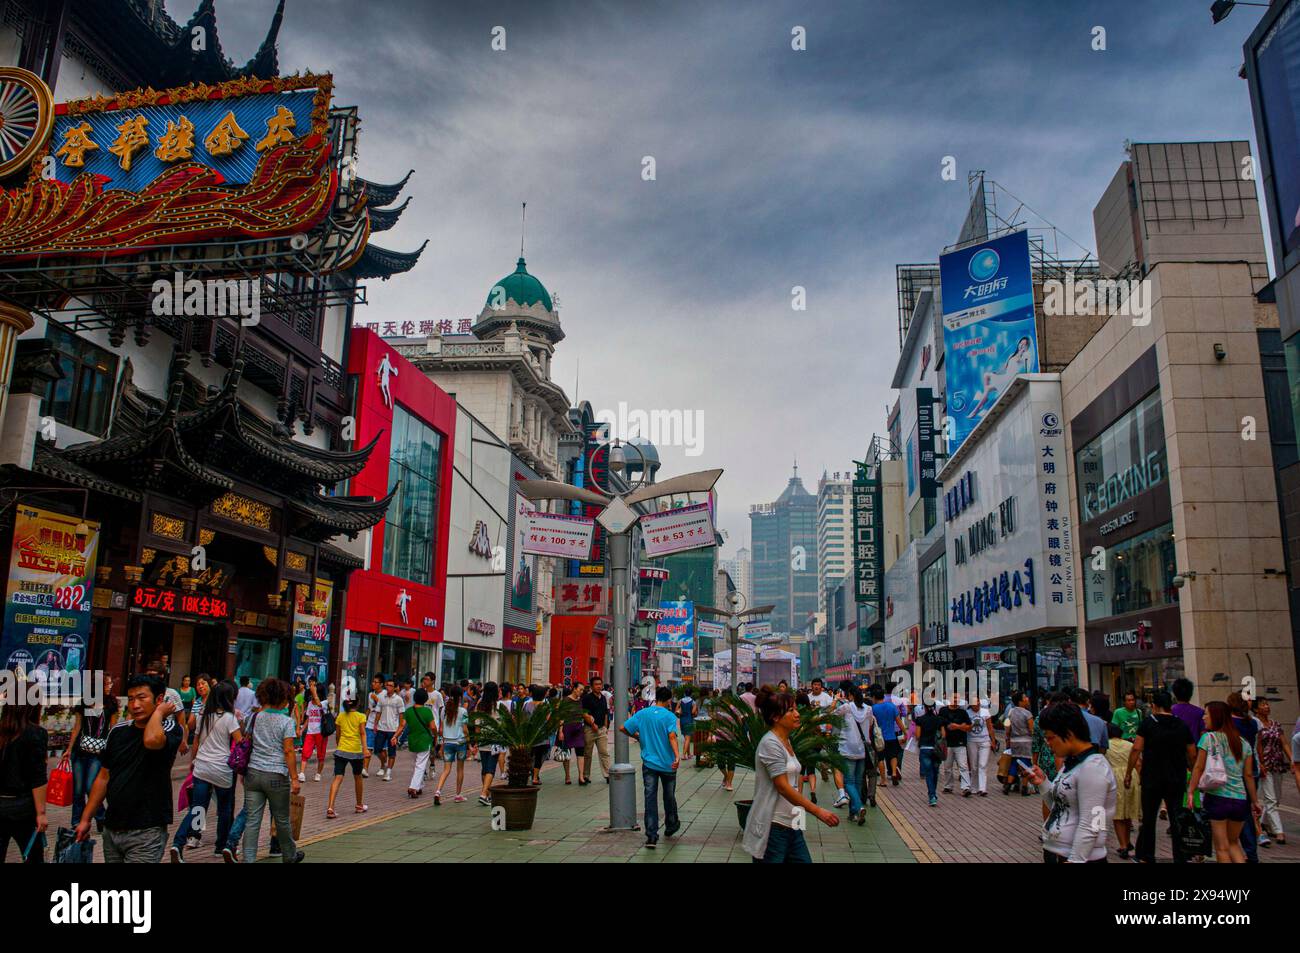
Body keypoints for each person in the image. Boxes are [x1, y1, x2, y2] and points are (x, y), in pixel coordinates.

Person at [75, 674, 185, 862]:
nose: (135, 705)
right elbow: (104, 777)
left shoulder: (169, 728)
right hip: (112, 828)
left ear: (159, 700)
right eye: (131, 699)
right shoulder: (119, 731)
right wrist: (86, 818)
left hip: (146, 831)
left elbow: (151, 741)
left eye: (142, 698)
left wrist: (158, 714)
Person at [742, 685, 839, 862]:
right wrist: (818, 812)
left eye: (796, 709)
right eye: (791, 710)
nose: (797, 714)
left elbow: (794, 784)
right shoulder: (770, 744)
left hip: (792, 824)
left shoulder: (785, 741)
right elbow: (783, 788)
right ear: (776, 717)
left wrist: (799, 821)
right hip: (774, 826)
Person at [1024, 701, 1116, 863]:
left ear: (1069, 733)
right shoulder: (1072, 764)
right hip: (1063, 852)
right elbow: (1061, 806)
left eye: (1051, 737)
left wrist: (1076, 859)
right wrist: (1043, 783)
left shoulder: (1093, 768)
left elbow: (1093, 823)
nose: (1048, 743)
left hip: (1083, 858)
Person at [170, 679, 241, 862]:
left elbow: (197, 741)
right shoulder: (230, 718)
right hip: (221, 769)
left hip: (201, 766)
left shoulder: (203, 715)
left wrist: (193, 762)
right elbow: (240, 743)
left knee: (197, 808)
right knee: (225, 809)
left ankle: (179, 843)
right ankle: (221, 846)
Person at [238, 678, 304, 863]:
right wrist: (295, 778)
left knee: (252, 820)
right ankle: (289, 855)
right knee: (282, 819)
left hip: (253, 773)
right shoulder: (286, 722)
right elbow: (288, 751)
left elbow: (247, 743)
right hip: (276, 775)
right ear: (283, 698)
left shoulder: (254, 717)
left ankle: (248, 859)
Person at [1127, 689, 1194, 864]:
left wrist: (1129, 772)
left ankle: (1146, 856)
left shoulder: (1148, 723)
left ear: (1154, 706)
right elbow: (1192, 752)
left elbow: (1136, 749)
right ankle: (1180, 857)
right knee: (1176, 818)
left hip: (1152, 778)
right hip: (1176, 778)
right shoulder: (1182, 725)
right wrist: (1193, 772)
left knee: (1149, 818)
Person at [1187, 700, 1258, 865]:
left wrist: (1191, 791)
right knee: (1234, 843)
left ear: (1216, 716)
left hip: (1218, 797)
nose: (1204, 717)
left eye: (1206, 714)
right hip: (1240, 799)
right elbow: (1248, 775)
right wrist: (1255, 801)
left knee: (1221, 847)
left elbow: (1198, 768)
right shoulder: (1243, 743)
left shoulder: (1208, 738)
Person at [621, 686, 681, 848]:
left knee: (650, 798)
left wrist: (637, 736)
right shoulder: (669, 716)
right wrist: (677, 756)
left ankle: (652, 836)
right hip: (668, 764)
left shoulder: (643, 713)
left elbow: (623, 728)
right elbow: (672, 736)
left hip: (649, 764)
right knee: (669, 797)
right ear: (669, 700)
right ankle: (671, 824)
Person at [66, 671, 118, 834]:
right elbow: (77, 727)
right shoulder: (84, 702)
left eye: (110, 684)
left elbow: (112, 729)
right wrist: (68, 749)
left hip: (99, 753)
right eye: (107, 684)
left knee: (90, 787)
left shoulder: (111, 704)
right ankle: (76, 822)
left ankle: (101, 816)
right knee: (78, 790)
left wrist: (112, 751)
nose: (110, 686)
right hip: (80, 752)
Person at [0, 700, 47, 864]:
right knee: (34, 857)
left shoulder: (3, 731)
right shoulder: (35, 733)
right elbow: (38, 778)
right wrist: (41, 813)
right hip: (24, 808)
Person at [1226, 691, 1262, 858]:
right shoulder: (1253, 723)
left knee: (1240, 813)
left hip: (1236, 771)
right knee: (1247, 810)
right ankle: (1250, 850)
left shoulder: (1229, 724)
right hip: (1252, 768)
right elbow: (1257, 747)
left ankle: (1245, 850)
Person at [835, 681, 875, 824]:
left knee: (848, 782)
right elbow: (870, 724)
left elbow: (833, 716)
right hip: (862, 749)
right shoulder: (869, 709)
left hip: (847, 748)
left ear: (850, 695)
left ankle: (858, 807)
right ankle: (853, 813)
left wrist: (836, 702)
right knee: (858, 781)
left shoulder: (846, 707)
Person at [1253, 698, 1290, 845]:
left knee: (1277, 797)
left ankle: (1263, 822)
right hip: (1265, 765)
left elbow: (1284, 743)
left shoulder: (1275, 724)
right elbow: (1258, 745)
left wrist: (1292, 761)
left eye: (1267, 704)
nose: (1267, 706)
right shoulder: (1256, 724)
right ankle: (1278, 831)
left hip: (1278, 764)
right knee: (1270, 798)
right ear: (1256, 709)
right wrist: (1260, 763)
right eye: (1263, 704)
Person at [326, 697, 369, 818]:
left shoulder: (340, 716)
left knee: (337, 778)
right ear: (358, 704)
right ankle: (359, 805)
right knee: (358, 777)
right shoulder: (361, 716)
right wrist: (365, 749)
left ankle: (330, 807)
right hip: (356, 751)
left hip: (341, 750)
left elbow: (338, 734)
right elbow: (362, 733)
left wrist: (339, 745)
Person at [1106, 723, 1139, 859]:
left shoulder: (1106, 746)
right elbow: (1138, 763)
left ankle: (1123, 845)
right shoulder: (1129, 745)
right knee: (1127, 812)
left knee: (1118, 814)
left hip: (1114, 777)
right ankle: (1127, 840)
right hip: (1131, 776)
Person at [473, 682, 509, 806]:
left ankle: (486, 795)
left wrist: (477, 741)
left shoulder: (480, 705)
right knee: (491, 769)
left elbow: (477, 725)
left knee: (484, 768)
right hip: (495, 740)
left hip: (483, 740)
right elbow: (504, 724)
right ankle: (483, 793)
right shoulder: (499, 705)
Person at [434, 686, 469, 804]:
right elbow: (465, 729)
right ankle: (458, 795)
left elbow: (442, 729)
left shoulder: (444, 709)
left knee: (446, 769)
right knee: (460, 769)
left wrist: (443, 743)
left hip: (448, 742)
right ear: (460, 697)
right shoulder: (463, 711)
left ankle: (438, 791)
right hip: (460, 742)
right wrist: (469, 741)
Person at [403, 688, 437, 798]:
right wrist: (436, 734)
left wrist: (395, 736)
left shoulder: (408, 711)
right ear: (426, 699)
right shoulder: (427, 711)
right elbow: (432, 727)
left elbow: (402, 726)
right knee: (420, 765)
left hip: (412, 741)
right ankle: (413, 787)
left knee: (417, 764)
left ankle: (420, 786)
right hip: (425, 740)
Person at [372, 677, 405, 781]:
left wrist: (400, 729)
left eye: (391, 685)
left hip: (393, 730)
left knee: (392, 752)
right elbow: (378, 712)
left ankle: (388, 772)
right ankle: (384, 763)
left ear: (395, 688)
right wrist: (375, 724)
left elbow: (401, 716)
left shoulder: (398, 699)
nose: (388, 687)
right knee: (377, 749)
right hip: (381, 728)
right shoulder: (382, 698)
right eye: (387, 685)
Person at [940, 693, 973, 795]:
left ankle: (966, 787)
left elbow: (969, 727)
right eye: (953, 697)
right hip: (947, 743)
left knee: (963, 766)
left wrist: (957, 726)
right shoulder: (943, 711)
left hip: (960, 743)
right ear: (949, 698)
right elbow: (940, 724)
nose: (955, 700)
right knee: (947, 767)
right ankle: (948, 786)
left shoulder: (963, 712)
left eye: (957, 698)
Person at [871, 685, 904, 785]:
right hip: (892, 736)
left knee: (880, 759)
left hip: (879, 738)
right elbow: (898, 721)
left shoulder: (873, 708)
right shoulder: (891, 706)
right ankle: (893, 773)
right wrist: (905, 732)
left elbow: (870, 723)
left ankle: (883, 780)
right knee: (893, 756)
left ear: (874, 697)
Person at [581, 676, 612, 783]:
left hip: (601, 729)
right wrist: (592, 723)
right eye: (596, 684)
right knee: (587, 753)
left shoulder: (603, 697)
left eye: (600, 684)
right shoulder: (586, 698)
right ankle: (586, 775)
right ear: (591, 686)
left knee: (604, 752)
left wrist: (605, 726)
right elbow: (584, 713)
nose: (599, 686)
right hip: (589, 729)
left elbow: (605, 713)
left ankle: (608, 775)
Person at [1004, 690, 1034, 796]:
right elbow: (1032, 730)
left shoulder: (1011, 712)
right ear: (1020, 701)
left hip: (1014, 741)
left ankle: (1008, 784)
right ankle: (1024, 787)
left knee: (1014, 762)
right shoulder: (1027, 713)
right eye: (1025, 697)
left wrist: (1007, 738)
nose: (1027, 699)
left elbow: (1007, 726)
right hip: (1026, 742)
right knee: (1026, 764)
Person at [914, 701, 944, 806]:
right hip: (936, 749)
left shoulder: (920, 720)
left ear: (925, 708)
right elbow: (943, 735)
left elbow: (917, 735)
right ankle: (933, 793)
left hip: (925, 748)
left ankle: (932, 796)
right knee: (935, 772)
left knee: (929, 774)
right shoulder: (939, 720)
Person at [297, 683, 327, 783]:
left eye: (315, 691)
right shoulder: (310, 703)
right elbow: (309, 718)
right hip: (310, 732)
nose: (313, 694)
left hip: (321, 733)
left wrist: (314, 693)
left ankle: (318, 773)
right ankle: (301, 773)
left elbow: (319, 704)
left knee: (321, 755)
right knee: (305, 752)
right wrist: (302, 729)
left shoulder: (325, 703)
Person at [560, 682, 588, 784]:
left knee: (580, 752)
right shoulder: (566, 700)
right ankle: (567, 776)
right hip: (567, 728)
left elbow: (584, 713)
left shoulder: (581, 700)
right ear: (574, 689)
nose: (581, 692)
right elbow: (561, 716)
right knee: (567, 753)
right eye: (580, 689)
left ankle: (581, 777)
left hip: (578, 728)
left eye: (582, 690)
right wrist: (560, 731)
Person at [967, 696, 993, 796]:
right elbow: (966, 727)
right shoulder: (967, 713)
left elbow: (990, 727)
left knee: (983, 764)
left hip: (985, 740)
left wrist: (993, 740)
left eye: (978, 702)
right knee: (973, 765)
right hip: (971, 740)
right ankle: (973, 787)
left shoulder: (985, 712)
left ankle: (982, 788)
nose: (976, 704)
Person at [1170, 678, 1204, 744]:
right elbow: (1203, 735)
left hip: (1175, 750)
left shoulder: (1170, 712)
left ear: (1174, 694)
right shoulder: (1200, 712)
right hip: (1195, 749)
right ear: (1191, 694)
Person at [363, 674, 383, 778]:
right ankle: (365, 769)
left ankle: (384, 765)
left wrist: (377, 699)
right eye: (373, 682)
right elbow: (369, 708)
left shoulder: (384, 694)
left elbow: (384, 707)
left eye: (376, 682)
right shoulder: (370, 694)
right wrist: (364, 720)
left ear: (381, 684)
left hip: (382, 725)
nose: (373, 684)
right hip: (370, 723)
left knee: (380, 750)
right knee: (368, 747)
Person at [677, 687, 696, 760]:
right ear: (691, 694)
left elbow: (676, 710)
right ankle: (683, 755)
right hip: (689, 720)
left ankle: (689, 754)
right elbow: (693, 712)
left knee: (686, 737)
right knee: (688, 738)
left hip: (682, 720)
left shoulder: (680, 701)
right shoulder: (693, 702)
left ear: (685, 693)